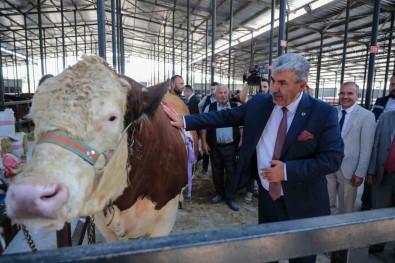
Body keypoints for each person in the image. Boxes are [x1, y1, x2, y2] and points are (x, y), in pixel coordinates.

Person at [163, 53, 344, 263]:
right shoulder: (261, 103)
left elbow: (332, 158)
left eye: (282, 83)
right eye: (274, 80)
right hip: (268, 198)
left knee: (301, 258)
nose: (274, 88)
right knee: (268, 252)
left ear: (301, 85)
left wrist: (286, 171)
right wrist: (185, 121)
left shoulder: (323, 113)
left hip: (303, 203)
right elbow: (224, 116)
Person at [326, 82, 375, 214]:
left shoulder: (366, 116)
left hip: (349, 169)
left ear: (358, 95)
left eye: (349, 93)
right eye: (342, 93)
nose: (345, 96)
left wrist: (360, 173)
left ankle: (343, 232)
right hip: (329, 165)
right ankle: (326, 229)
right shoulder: (332, 112)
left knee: (346, 206)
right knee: (326, 202)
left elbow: (367, 147)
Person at [200, 84, 241, 211]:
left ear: (228, 93)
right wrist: (204, 143)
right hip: (215, 146)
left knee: (231, 173)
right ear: (215, 94)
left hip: (231, 146)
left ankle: (230, 197)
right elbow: (204, 126)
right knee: (216, 172)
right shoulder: (209, 108)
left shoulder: (235, 107)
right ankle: (219, 194)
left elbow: (241, 125)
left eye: (225, 92)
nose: (223, 95)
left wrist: (242, 139)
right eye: (220, 93)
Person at [360, 74, 395, 211]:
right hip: (384, 168)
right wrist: (371, 169)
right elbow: (376, 142)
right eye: (392, 84)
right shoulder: (384, 110)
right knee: (378, 205)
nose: (393, 87)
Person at [366, 110, 395, 253]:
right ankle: (377, 243)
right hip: (384, 173)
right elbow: (376, 144)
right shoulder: (386, 116)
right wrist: (371, 169)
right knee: (380, 210)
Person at [197, 82, 218, 176]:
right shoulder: (207, 98)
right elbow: (199, 105)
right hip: (208, 125)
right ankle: (205, 168)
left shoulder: (221, 97)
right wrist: (202, 116)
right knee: (206, 147)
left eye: (215, 89)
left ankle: (216, 169)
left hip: (218, 125)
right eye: (212, 89)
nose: (213, 91)